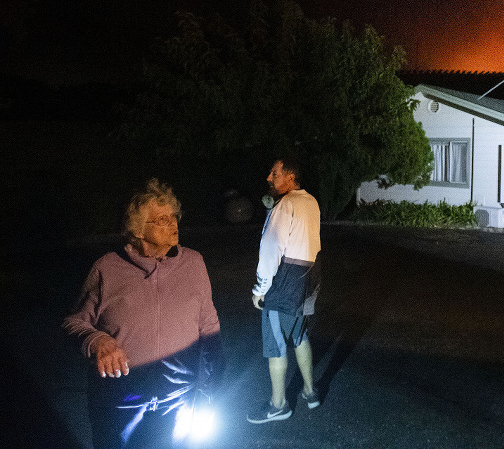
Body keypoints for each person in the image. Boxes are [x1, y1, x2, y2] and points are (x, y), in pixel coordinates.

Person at [63, 179, 223, 448]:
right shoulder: (107, 269)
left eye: (174, 217)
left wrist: (213, 378)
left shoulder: (193, 263)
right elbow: (75, 321)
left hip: (179, 400)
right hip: (120, 403)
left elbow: (208, 324)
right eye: (162, 219)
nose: (173, 223)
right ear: (137, 230)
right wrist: (96, 341)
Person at [246, 156, 321, 424]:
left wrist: (260, 289)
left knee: (276, 344)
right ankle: (310, 392)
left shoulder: (286, 204)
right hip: (309, 278)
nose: (269, 177)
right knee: (300, 336)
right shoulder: (310, 201)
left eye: (274, 173)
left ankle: (278, 405)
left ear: (290, 176)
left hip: (285, 282)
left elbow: (271, 249)